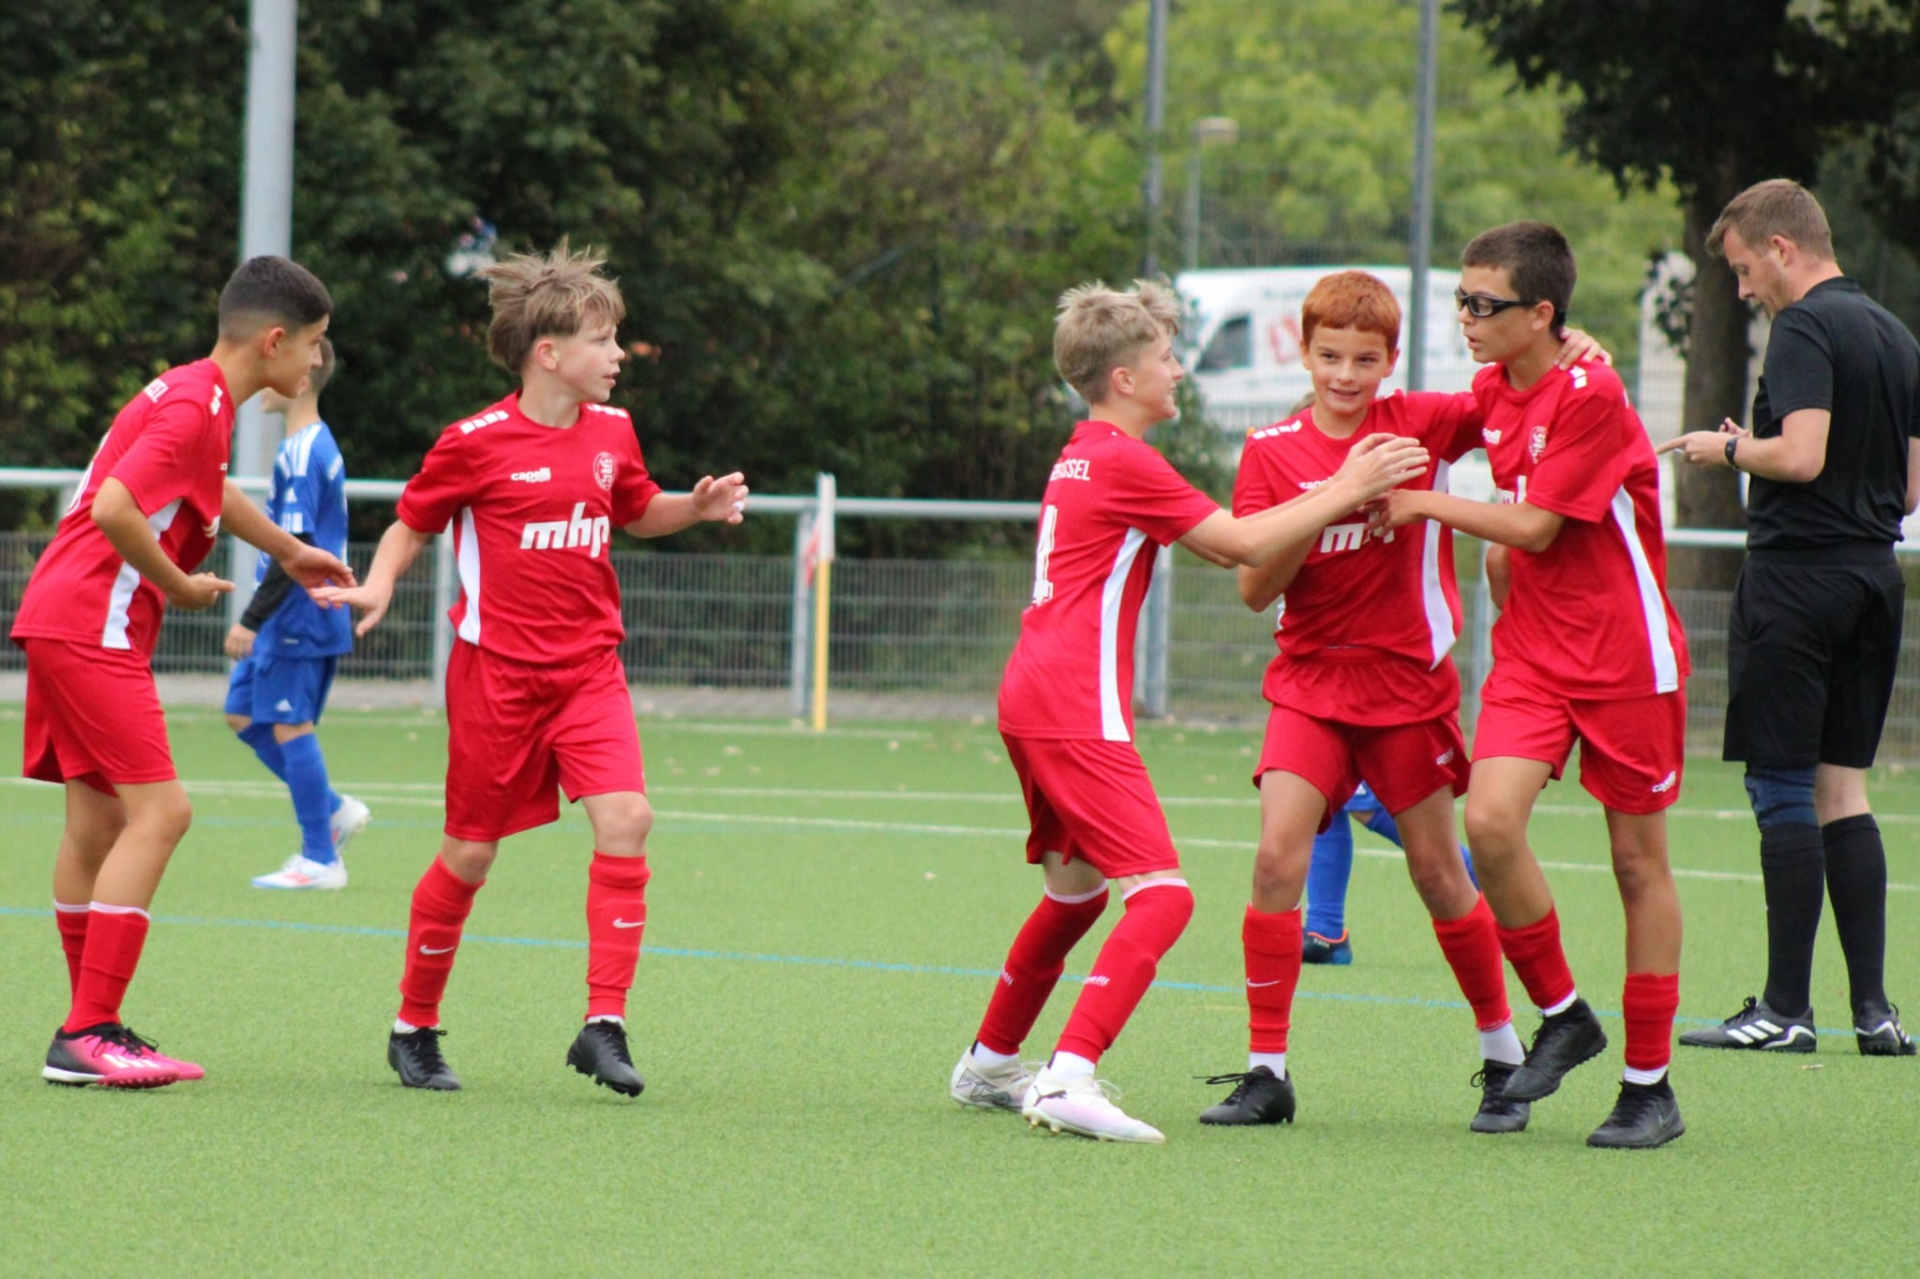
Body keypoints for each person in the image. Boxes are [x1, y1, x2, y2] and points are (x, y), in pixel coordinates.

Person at [947, 279, 1429, 1143]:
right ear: (1124, 379)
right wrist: (1350, 481)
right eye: (1166, 358)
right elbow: (1242, 545)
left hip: (1033, 692)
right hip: (1073, 700)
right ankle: (1068, 1076)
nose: (1177, 371)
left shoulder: (1083, 450)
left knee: (1075, 896)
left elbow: (1235, 543)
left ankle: (989, 1063)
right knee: (1163, 898)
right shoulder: (1125, 459)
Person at [317, 243, 748, 1096]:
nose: (618, 354)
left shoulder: (613, 431)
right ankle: (413, 1027)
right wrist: (379, 582)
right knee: (470, 854)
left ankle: (603, 1023)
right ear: (547, 353)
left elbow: (636, 508)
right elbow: (412, 522)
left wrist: (692, 508)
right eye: (602, 339)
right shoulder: (473, 442)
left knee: (628, 817)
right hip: (497, 681)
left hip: (589, 672)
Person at [1376, 222, 1691, 1149]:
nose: (1466, 318)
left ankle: (1649, 1087)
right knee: (1487, 821)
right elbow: (1408, 419)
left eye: (1485, 304)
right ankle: (1565, 1014)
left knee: (1637, 864)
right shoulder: (1491, 390)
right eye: (1461, 300)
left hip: (1627, 661)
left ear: (1542, 313)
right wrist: (1332, 399)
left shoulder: (1592, 390)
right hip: (1534, 658)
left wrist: (1423, 500)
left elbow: (1537, 528)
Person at [10, 255, 349, 1088]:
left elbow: (209, 490)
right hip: (92, 623)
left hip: (62, 612)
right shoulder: (200, 407)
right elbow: (115, 507)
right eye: (314, 343)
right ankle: (89, 1030)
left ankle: (87, 1028)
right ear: (275, 340)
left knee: (95, 826)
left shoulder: (195, 394)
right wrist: (177, 582)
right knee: (162, 812)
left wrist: (289, 550)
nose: (317, 360)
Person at [1203, 269, 1527, 1133]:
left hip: (1406, 688)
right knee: (1276, 861)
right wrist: (1336, 496)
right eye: (1329, 356)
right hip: (1309, 685)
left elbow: (1520, 393)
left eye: (1364, 359)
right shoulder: (1271, 449)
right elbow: (1253, 588)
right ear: (1304, 354)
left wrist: (1575, 353)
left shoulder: (1421, 422)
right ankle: (1267, 1071)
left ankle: (1504, 1058)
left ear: (1390, 359)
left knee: (1440, 873)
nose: (1345, 374)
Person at [1659, 178, 1918, 1057]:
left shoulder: (1804, 326)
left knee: (1780, 786)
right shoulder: (1896, 335)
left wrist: (1728, 447)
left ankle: (1784, 1010)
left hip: (1796, 581)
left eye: (1743, 270)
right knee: (1843, 789)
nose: (1742, 290)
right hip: (1874, 580)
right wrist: (1765, 448)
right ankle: (1875, 1013)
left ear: (1782, 247)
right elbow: (1908, 490)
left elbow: (1801, 457)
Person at [223, 336, 372, 889]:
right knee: (242, 712)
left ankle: (321, 859)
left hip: (301, 611)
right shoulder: (299, 445)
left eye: (274, 370)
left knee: (290, 724)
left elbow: (297, 548)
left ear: (302, 378)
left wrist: (251, 618)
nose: (263, 382)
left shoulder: (306, 450)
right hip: (291, 612)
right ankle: (331, 809)